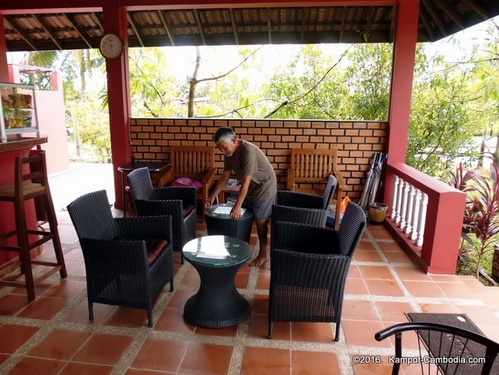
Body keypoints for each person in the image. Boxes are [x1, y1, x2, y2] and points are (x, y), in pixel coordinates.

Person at [205, 126, 276, 267]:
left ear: (234, 140)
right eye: (219, 148)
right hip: (250, 187)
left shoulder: (247, 152)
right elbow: (225, 175)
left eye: (224, 147)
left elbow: (245, 182)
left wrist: (237, 205)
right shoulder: (229, 153)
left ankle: (263, 255)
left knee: (260, 220)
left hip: (264, 186)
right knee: (242, 216)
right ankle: (241, 248)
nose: (222, 151)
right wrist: (213, 195)